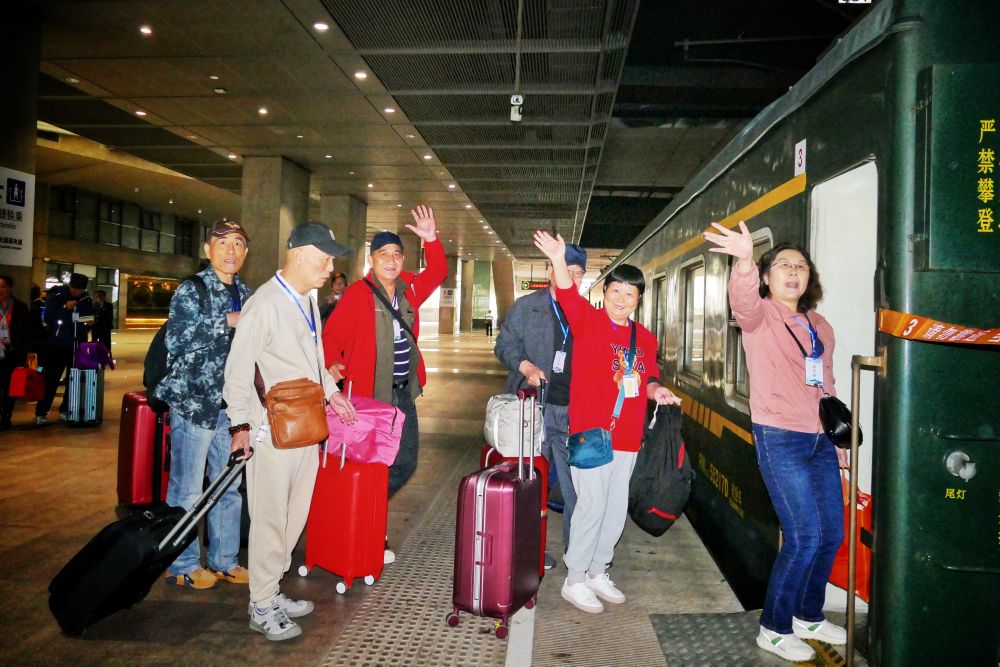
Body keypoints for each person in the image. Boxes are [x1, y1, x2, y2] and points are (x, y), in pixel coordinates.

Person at [705, 221, 847, 663]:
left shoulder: (820, 325)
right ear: (767, 277)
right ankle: (774, 627)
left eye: (801, 266)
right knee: (803, 536)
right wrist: (745, 261)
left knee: (831, 534)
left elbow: (825, 384)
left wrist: (837, 444)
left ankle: (808, 615)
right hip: (780, 437)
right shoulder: (761, 316)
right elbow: (742, 301)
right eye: (783, 265)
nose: (793, 271)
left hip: (820, 440)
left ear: (810, 278)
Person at [533, 230, 679, 615]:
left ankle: (599, 570)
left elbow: (647, 379)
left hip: (628, 437)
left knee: (615, 508)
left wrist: (657, 392)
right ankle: (575, 578)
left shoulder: (645, 338)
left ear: (639, 299)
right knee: (591, 506)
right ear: (605, 292)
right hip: (592, 433)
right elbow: (567, 293)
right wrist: (559, 259)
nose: (621, 299)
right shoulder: (588, 321)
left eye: (629, 294)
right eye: (615, 291)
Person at [225, 221, 356, 642]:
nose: (330, 268)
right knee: (269, 518)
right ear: (299, 254)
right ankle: (261, 603)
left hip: (305, 426)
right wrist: (240, 426)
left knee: (293, 516)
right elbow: (238, 370)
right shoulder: (264, 304)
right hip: (271, 431)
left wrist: (332, 392)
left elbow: (315, 357)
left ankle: (272, 588)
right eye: (325, 259)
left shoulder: (308, 301)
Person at [323, 205, 448, 561]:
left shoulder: (410, 289)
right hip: (369, 397)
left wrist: (430, 239)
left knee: (405, 463)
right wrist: (332, 362)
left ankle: (366, 509)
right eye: (383, 254)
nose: (391, 260)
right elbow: (332, 336)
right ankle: (370, 527)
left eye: (396, 254)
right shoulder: (357, 294)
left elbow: (438, 272)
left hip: (403, 395)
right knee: (373, 465)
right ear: (372, 260)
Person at [153, 219, 253, 590]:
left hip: (231, 408)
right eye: (223, 242)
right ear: (208, 249)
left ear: (246, 252)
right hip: (194, 406)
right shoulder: (192, 289)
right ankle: (181, 564)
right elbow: (176, 340)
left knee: (228, 487)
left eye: (238, 243)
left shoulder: (246, 292)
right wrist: (227, 321)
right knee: (187, 490)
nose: (231, 250)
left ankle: (224, 560)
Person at [494, 244, 589, 570]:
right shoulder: (526, 307)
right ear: (550, 271)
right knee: (532, 484)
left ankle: (577, 554)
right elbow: (503, 344)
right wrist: (525, 367)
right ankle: (530, 553)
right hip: (533, 409)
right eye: (565, 270)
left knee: (576, 488)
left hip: (572, 412)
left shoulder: (584, 312)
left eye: (577, 273)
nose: (570, 277)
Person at [34, 273, 94, 425]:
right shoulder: (58, 295)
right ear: (70, 286)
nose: (78, 292)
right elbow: (48, 317)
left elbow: (89, 318)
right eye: (76, 289)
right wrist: (65, 308)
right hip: (57, 345)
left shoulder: (86, 299)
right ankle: (41, 413)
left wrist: (87, 323)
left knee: (73, 379)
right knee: (51, 380)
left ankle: (66, 410)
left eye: (81, 290)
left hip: (77, 345)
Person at [0, 275, 30, 430]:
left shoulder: (19, 307)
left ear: (10, 288)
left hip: (12, 353)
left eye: (3, 286)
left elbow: (26, 331)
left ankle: (6, 416)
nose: (0, 290)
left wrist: (27, 352)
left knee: (8, 387)